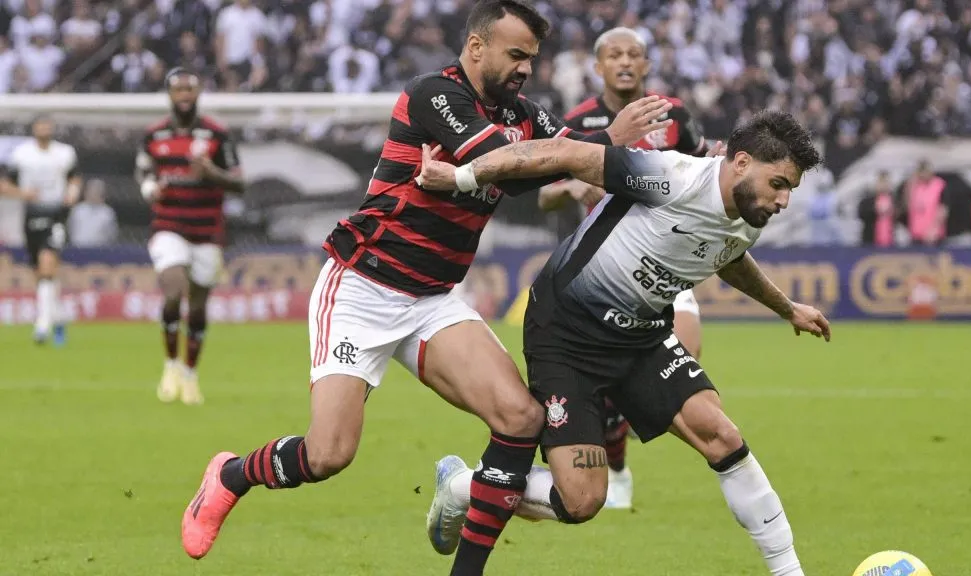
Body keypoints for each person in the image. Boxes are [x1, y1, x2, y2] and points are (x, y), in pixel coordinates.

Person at [178, 3, 668, 575]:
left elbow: (565, 153)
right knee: (329, 453)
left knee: (519, 417)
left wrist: (649, 162)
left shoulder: (523, 113)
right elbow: (500, 165)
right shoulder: (434, 94)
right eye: (515, 55)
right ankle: (232, 474)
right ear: (477, 47)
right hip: (361, 288)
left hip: (431, 300)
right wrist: (603, 140)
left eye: (531, 59)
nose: (525, 69)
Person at [419, 110, 830, 576]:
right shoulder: (670, 176)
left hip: (641, 338)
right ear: (740, 161)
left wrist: (785, 307)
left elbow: (728, 255)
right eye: (778, 183)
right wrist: (461, 175)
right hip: (567, 334)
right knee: (582, 500)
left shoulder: (749, 215)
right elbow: (562, 153)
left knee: (722, 436)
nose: (784, 200)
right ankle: (463, 486)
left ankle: (789, 570)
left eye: (790, 188)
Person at [536, 26, 713, 509]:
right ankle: (609, 464)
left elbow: (704, 169)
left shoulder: (673, 115)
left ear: (647, 64)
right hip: (606, 270)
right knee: (611, 377)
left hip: (667, 262)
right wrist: (571, 187)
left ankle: (611, 442)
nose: (625, 62)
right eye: (615, 55)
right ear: (598, 67)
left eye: (635, 54)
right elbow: (543, 192)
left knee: (686, 356)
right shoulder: (578, 120)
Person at [135, 67, 244, 405]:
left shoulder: (217, 135)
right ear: (169, 94)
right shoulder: (154, 135)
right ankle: (169, 364)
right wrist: (150, 188)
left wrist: (212, 173)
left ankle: (190, 373)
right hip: (169, 225)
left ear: (198, 94)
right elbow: (142, 171)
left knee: (197, 307)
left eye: (190, 89)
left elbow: (240, 183)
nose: (184, 95)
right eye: (178, 89)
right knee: (173, 290)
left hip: (208, 231)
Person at [1, 115, 81, 346]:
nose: (44, 129)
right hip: (31, 215)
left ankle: (42, 325)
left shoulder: (65, 153)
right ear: (34, 129)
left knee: (48, 263)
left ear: (52, 129)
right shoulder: (22, 155)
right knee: (40, 274)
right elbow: (4, 185)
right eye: (40, 125)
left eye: (47, 125)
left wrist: (72, 194)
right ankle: (57, 318)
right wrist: (23, 194)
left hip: (56, 215)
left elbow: (75, 179)